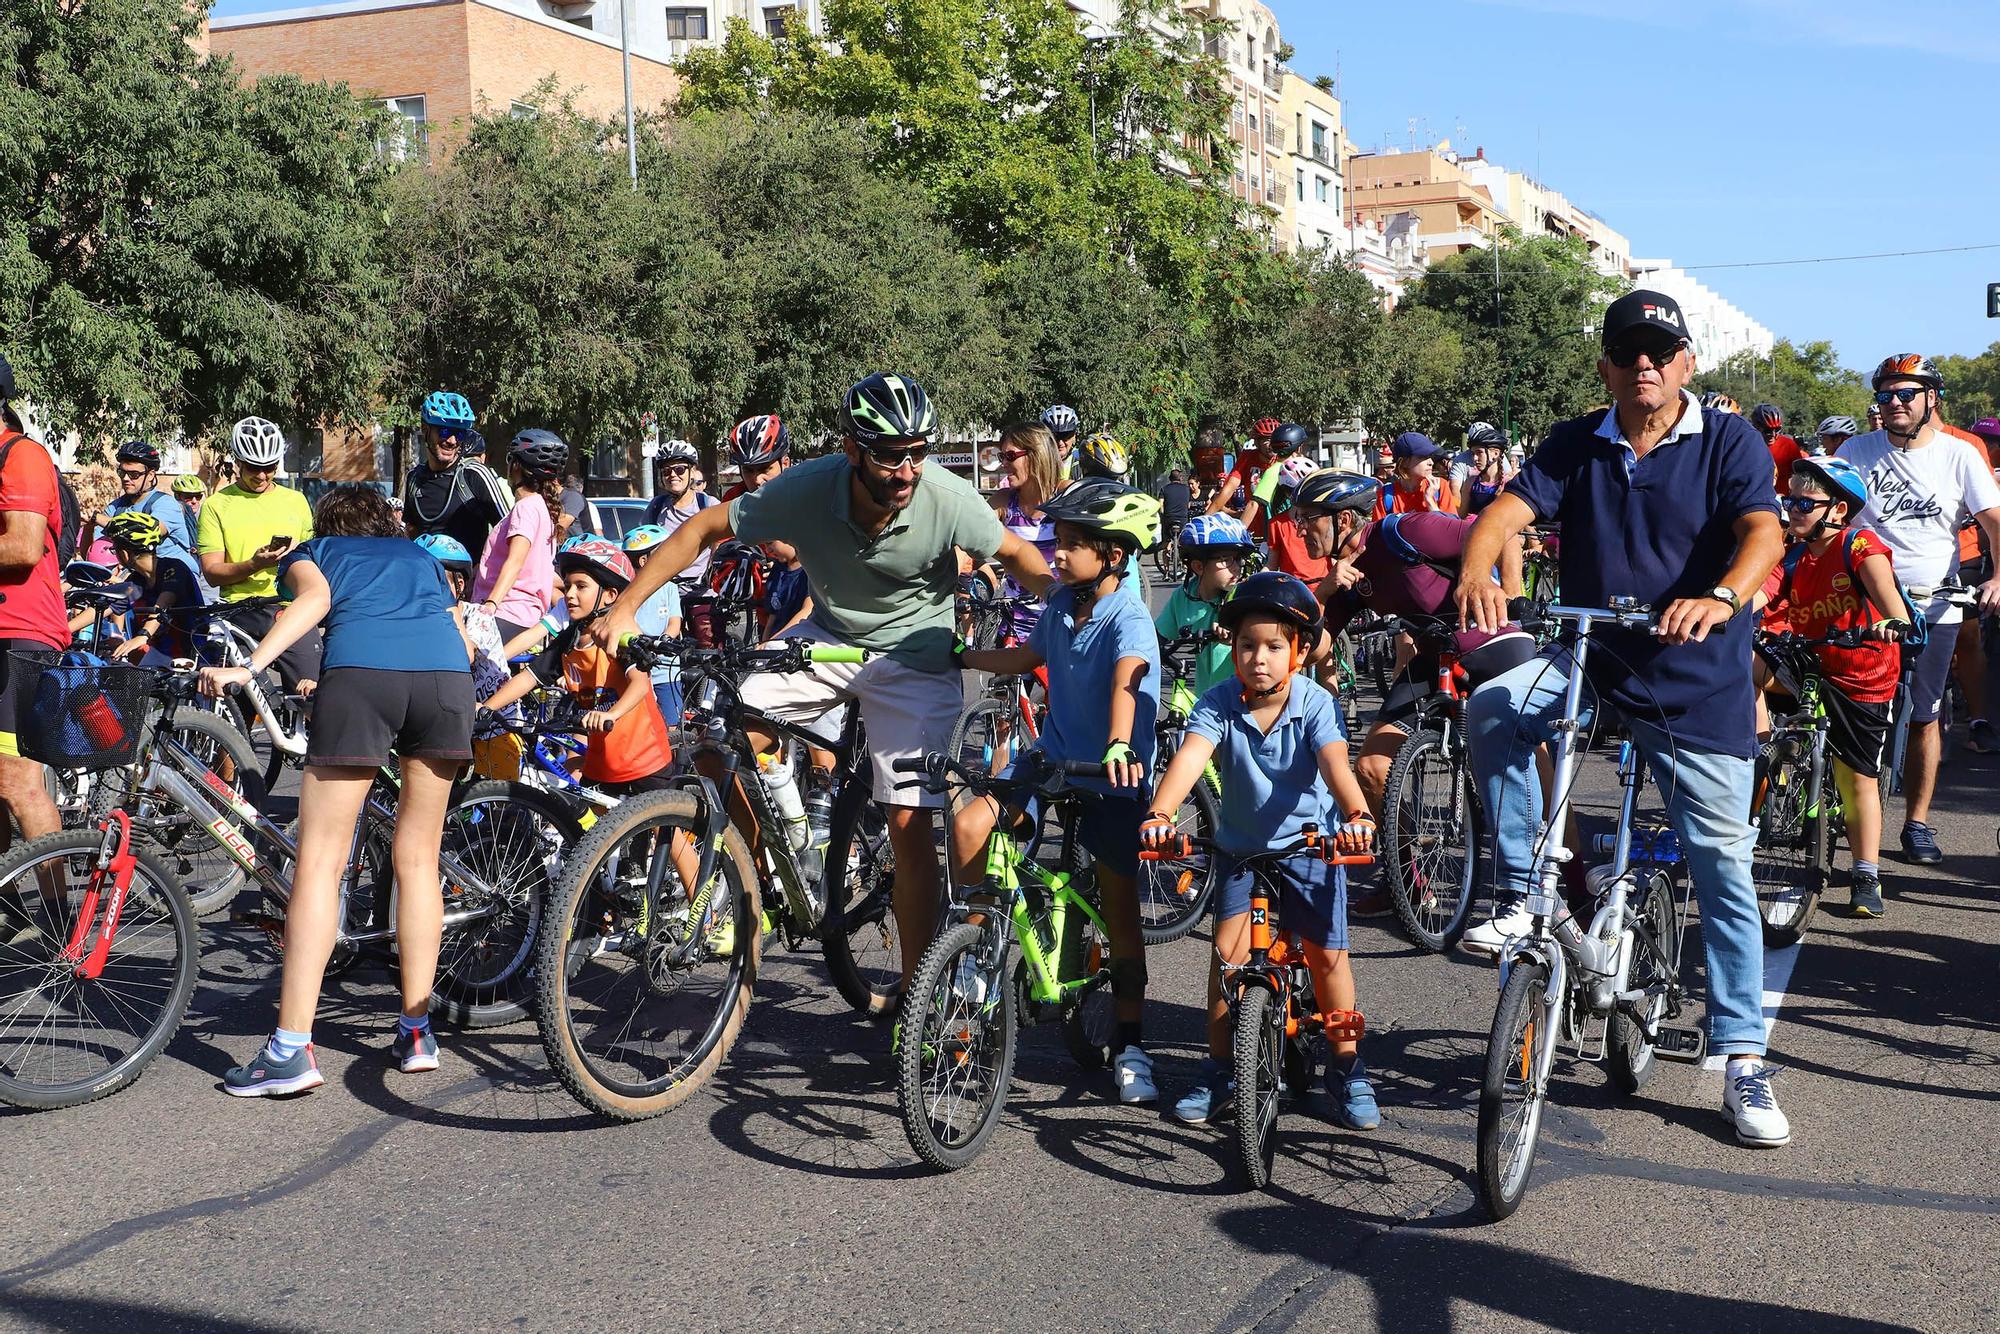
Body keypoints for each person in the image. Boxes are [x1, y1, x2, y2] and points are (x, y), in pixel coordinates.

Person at [592, 372, 1056, 993]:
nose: (907, 471)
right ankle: (767, 868)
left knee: (908, 823)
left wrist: (1065, 610)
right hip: (829, 637)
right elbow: (701, 530)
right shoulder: (806, 489)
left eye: (917, 453)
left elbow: (1020, 557)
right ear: (851, 449)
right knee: (724, 729)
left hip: (915, 658)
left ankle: (922, 1009)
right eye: (891, 456)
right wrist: (624, 606)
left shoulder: (947, 497)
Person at [1457, 288, 1791, 1149]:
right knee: (1492, 709)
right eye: (1627, 350)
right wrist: (1482, 570)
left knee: (1720, 861)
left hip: (1697, 677)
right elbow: (1504, 513)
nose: (1644, 363)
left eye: (1660, 349)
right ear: (1606, 365)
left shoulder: (1727, 439)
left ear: (1686, 363)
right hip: (1593, 662)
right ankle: (1532, 892)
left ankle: (1744, 1058)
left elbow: (1763, 535)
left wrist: (1720, 597)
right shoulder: (1578, 441)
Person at [201, 486, 475, 1096]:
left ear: (328, 522)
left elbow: (315, 600)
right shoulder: (421, 558)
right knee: (419, 858)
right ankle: (415, 1030)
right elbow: (460, 631)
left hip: (363, 676)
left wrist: (248, 668)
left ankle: (291, 1049)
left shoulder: (315, 549)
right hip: (446, 683)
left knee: (321, 862)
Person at [953, 478, 1163, 1103]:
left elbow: (1130, 678)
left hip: (1111, 774)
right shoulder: (1058, 605)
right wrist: (962, 659)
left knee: (1120, 914)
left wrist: (1121, 745)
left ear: (1114, 557)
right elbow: (1026, 660)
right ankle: (972, 964)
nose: (1058, 554)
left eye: (1073, 545)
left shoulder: (1126, 615)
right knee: (971, 826)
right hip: (1051, 759)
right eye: (1058, 542)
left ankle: (1131, 1043)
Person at [1148, 571, 1379, 1129]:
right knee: (1226, 958)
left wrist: (1357, 814)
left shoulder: (1315, 704)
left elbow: (1334, 765)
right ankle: (1221, 1069)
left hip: (1313, 849)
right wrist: (1159, 814)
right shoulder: (1218, 702)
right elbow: (1189, 759)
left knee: (1328, 959)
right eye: (1247, 645)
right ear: (1232, 647)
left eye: (1274, 646)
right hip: (1240, 852)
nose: (1259, 658)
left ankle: (1347, 1066)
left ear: (1298, 652)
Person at [1299, 469, 1532, 917]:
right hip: (1436, 653)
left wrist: (1511, 594)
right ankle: (1409, 879)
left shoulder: (1410, 530)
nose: (1300, 527)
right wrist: (1325, 594)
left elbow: (1503, 531)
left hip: (1492, 637)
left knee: (1528, 749)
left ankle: (1576, 878)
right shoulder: (1348, 576)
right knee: (1371, 766)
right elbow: (1315, 649)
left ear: (1343, 520)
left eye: (1308, 517)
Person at [1835, 355, 2000, 863]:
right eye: (1886, 396)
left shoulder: (1959, 454)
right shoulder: (1856, 450)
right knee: (1847, 710)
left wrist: (1998, 576)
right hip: (1863, 601)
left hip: (1935, 602)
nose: (1895, 404)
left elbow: (1994, 520)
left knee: (1924, 715)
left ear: (1933, 398)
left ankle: (1918, 822)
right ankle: (1840, 811)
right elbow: (1825, 512)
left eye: (1907, 394)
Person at [1751, 458, 1911, 918]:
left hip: (1863, 674)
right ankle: (1763, 751)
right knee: (1745, 665)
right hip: (1811, 660)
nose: (1793, 509)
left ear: (1838, 509)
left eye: (1805, 502)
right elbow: (1767, 589)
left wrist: (1890, 622)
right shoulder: (1794, 549)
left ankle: (1866, 873)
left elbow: (1886, 596)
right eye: (1789, 500)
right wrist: (1730, 606)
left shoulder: (1859, 544)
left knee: (1856, 777)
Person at [483, 538, 682, 801]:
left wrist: (611, 713)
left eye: (581, 586)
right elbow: (531, 677)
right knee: (595, 835)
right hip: (603, 760)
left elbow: (639, 684)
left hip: (643, 756)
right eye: (567, 587)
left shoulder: (622, 635)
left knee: (667, 834)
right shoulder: (570, 640)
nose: (569, 594)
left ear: (610, 595)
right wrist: (487, 707)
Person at [196, 417, 320, 693]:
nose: (262, 476)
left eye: (270, 468)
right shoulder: (217, 505)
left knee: (314, 694)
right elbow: (212, 573)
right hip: (240, 609)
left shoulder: (296, 501)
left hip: (288, 609)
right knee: (227, 696)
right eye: (254, 467)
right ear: (237, 463)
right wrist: (254, 564)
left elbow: (314, 563)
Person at [0, 354, 68, 851]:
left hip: (20, 635)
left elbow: (23, 547)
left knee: (16, 780)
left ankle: (59, 921)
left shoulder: (22, 455)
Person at [472, 430, 565, 644]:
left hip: (507, 611)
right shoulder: (542, 508)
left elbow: (515, 561)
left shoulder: (525, 508)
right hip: (525, 615)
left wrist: (490, 605)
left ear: (515, 465)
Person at [402, 390, 510, 560]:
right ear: (425, 429)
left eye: (460, 433)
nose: (452, 441)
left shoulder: (474, 474)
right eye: (445, 431)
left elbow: (510, 531)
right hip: (427, 578)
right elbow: (412, 531)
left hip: (469, 582)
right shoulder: (414, 479)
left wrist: (481, 573)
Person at [1155, 514, 1255, 695]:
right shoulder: (1184, 596)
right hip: (1205, 697)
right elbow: (1157, 637)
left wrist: (1238, 636)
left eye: (1238, 558)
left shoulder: (1243, 595)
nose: (1236, 566)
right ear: (1199, 567)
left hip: (1241, 696)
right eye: (1226, 559)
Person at [988, 422, 1062, 646]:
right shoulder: (1003, 501)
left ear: (1036, 455)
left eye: (1010, 456)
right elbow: (971, 537)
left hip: (1060, 622)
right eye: (1002, 456)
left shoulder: (1065, 497)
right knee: (1005, 679)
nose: (1004, 464)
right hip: (1014, 625)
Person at [96, 440, 202, 592]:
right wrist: (87, 526)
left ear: (151, 475)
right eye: (122, 472)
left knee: (161, 614)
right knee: (108, 605)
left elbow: (145, 532)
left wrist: (97, 518)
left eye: (134, 474)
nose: (126, 478)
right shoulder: (116, 507)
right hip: (140, 579)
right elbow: (96, 552)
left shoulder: (165, 504)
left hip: (177, 581)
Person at [643, 438, 723, 640]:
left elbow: (721, 543)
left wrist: (712, 571)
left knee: (709, 651)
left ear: (691, 471)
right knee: (663, 650)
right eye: (666, 471)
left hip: (702, 594)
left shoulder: (707, 504)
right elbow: (643, 544)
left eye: (679, 469)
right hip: (666, 594)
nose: (673, 475)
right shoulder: (656, 508)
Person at [100, 512, 200, 666]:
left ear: (125, 553)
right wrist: (65, 630)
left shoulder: (174, 568)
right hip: (159, 657)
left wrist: (144, 635)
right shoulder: (138, 579)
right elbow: (104, 606)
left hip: (193, 655)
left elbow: (162, 606)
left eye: (115, 549)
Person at [621, 525, 686, 726]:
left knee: (672, 723)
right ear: (644, 560)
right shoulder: (627, 591)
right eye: (663, 553)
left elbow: (675, 622)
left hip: (666, 669)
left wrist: (665, 640)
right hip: (636, 668)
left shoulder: (669, 587)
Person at [1967, 417, 2000, 753]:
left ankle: (1978, 721)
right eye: (1981, 440)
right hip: (1970, 550)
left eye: (1991, 443)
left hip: (1980, 551)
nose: (1985, 448)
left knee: (1968, 637)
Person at [1259, 454, 1329, 584]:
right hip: (1294, 591)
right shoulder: (1277, 524)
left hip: (1325, 589)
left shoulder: (1325, 519)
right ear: (1287, 493)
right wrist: (1255, 582)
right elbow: (1272, 564)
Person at [1205, 416, 1280, 537]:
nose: (1272, 444)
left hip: (1278, 528)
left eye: (1275, 439)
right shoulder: (1247, 458)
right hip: (1252, 528)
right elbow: (1228, 489)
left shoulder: (1284, 460)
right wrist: (1204, 520)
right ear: (1256, 442)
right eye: (1267, 440)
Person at [1240, 422, 1312, 534]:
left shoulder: (1274, 471)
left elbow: (1254, 504)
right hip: (1302, 533)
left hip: (1283, 534)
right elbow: (1253, 505)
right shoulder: (1306, 469)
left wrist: (1238, 534)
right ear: (1299, 448)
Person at [1372, 432, 1456, 518]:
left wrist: (1430, 501)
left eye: (1430, 457)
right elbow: (1379, 530)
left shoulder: (1440, 487)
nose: (1431, 462)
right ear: (1404, 462)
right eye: (1423, 457)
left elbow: (1451, 528)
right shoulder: (1385, 496)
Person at [1456, 423, 1513, 516]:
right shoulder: (1470, 482)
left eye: (1479, 453)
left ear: (1495, 454)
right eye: (1473, 453)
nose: (1474, 458)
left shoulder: (1509, 484)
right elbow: (1461, 516)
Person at [1751, 403, 1801, 492]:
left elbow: (1801, 475)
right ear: (1756, 427)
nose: (1773, 435)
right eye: (1768, 431)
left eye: (1777, 430)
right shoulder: (1746, 446)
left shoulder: (1789, 445)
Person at [1159, 468, 1192, 542]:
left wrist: (1162, 515)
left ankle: (1167, 545)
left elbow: (1161, 505)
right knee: (1184, 539)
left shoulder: (1164, 489)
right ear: (1180, 478)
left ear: (1170, 478)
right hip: (1183, 518)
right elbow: (1188, 505)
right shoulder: (1187, 489)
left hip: (1169, 518)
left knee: (1166, 539)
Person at [558, 474, 593, 542]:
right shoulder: (571, 497)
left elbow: (561, 525)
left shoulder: (574, 497)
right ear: (581, 487)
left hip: (579, 546)